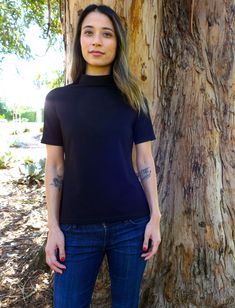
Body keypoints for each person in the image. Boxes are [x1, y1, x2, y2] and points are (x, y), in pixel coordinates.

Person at [41, 3, 161, 308]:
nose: (96, 41)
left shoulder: (134, 99)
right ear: (79, 40)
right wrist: (53, 228)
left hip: (131, 226)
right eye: (89, 32)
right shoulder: (57, 101)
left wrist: (155, 219)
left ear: (117, 42)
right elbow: (55, 167)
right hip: (75, 230)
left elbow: (145, 162)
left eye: (106, 34)